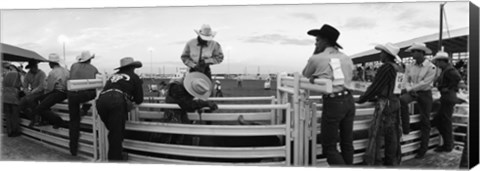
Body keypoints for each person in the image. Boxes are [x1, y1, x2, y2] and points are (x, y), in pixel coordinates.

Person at [302, 24, 355, 166]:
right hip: (349, 100)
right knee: (346, 142)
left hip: (333, 102)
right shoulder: (346, 58)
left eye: (318, 40)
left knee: (329, 147)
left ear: (325, 41)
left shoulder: (317, 58)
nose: (316, 43)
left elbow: (305, 73)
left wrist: (316, 52)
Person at [356, 43, 403, 166]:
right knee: (392, 134)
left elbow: (375, 87)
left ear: (386, 55)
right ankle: (391, 161)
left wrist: (362, 99)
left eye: (381, 53)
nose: (380, 55)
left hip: (385, 103)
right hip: (395, 102)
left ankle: (375, 162)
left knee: (376, 133)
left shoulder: (386, 67)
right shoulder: (399, 68)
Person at [96, 57, 144, 161]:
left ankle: (117, 155)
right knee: (116, 135)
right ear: (132, 67)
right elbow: (139, 99)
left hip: (101, 100)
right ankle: (115, 161)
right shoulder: (134, 77)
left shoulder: (113, 76)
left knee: (114, 132)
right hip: (116, 100)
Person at [399, 42, 437, 159]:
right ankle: (406, 127)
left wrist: (409, 89)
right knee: (402, 100)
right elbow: (406, 78)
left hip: (424, 93)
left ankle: (423, 148)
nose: (412, 54)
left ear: (421, 52)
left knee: (425, 120)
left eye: (414, 51)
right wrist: (408, 88)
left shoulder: (431, 67)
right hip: (414, 92)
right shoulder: (410, 66)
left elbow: (425, 83)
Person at [159, 72, 218, 145]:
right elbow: (187, 104)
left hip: (179, 113)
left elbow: (187, 103)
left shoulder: (182, 84)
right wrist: (203, 104)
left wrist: (200, 104)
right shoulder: (177, 87)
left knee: (180, 134)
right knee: (173, 135)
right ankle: (167, 151)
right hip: (173, 115)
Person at [67, 51, 99, 156]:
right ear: (90, 59)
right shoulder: (94, 69)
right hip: (84, 94)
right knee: (95, 93)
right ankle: (85, 108)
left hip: (72, 94)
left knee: (73, 121)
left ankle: (73, 148)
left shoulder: (73, 66)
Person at [431, 50, 461, 153]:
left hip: (448, 97)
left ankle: (448, 145)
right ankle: (448, 143)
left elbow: (457, 78)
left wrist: (448, 88)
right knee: (440, 120)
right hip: (447, 98)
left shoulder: (449, 70)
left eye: (438, 62)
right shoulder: (445, 70)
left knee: (445, 121)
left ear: (443, 61)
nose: (437, 64)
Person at [30, 53, 68, 128]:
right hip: (66, 91)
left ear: (51, 63)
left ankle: (58, 121)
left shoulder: (52, 72)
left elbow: (50, 88)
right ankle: (46, 120)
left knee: (40, 107)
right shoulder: (66, 70)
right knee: (42, 102)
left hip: (58, 92)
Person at [2, 63, 23, 137]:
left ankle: (9, 132)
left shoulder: (6, 74)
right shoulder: (17, 74)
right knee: (15, 115)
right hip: (13, 96)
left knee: (8, 116)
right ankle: (15, 131)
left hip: (5, 96)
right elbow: (20, 85)